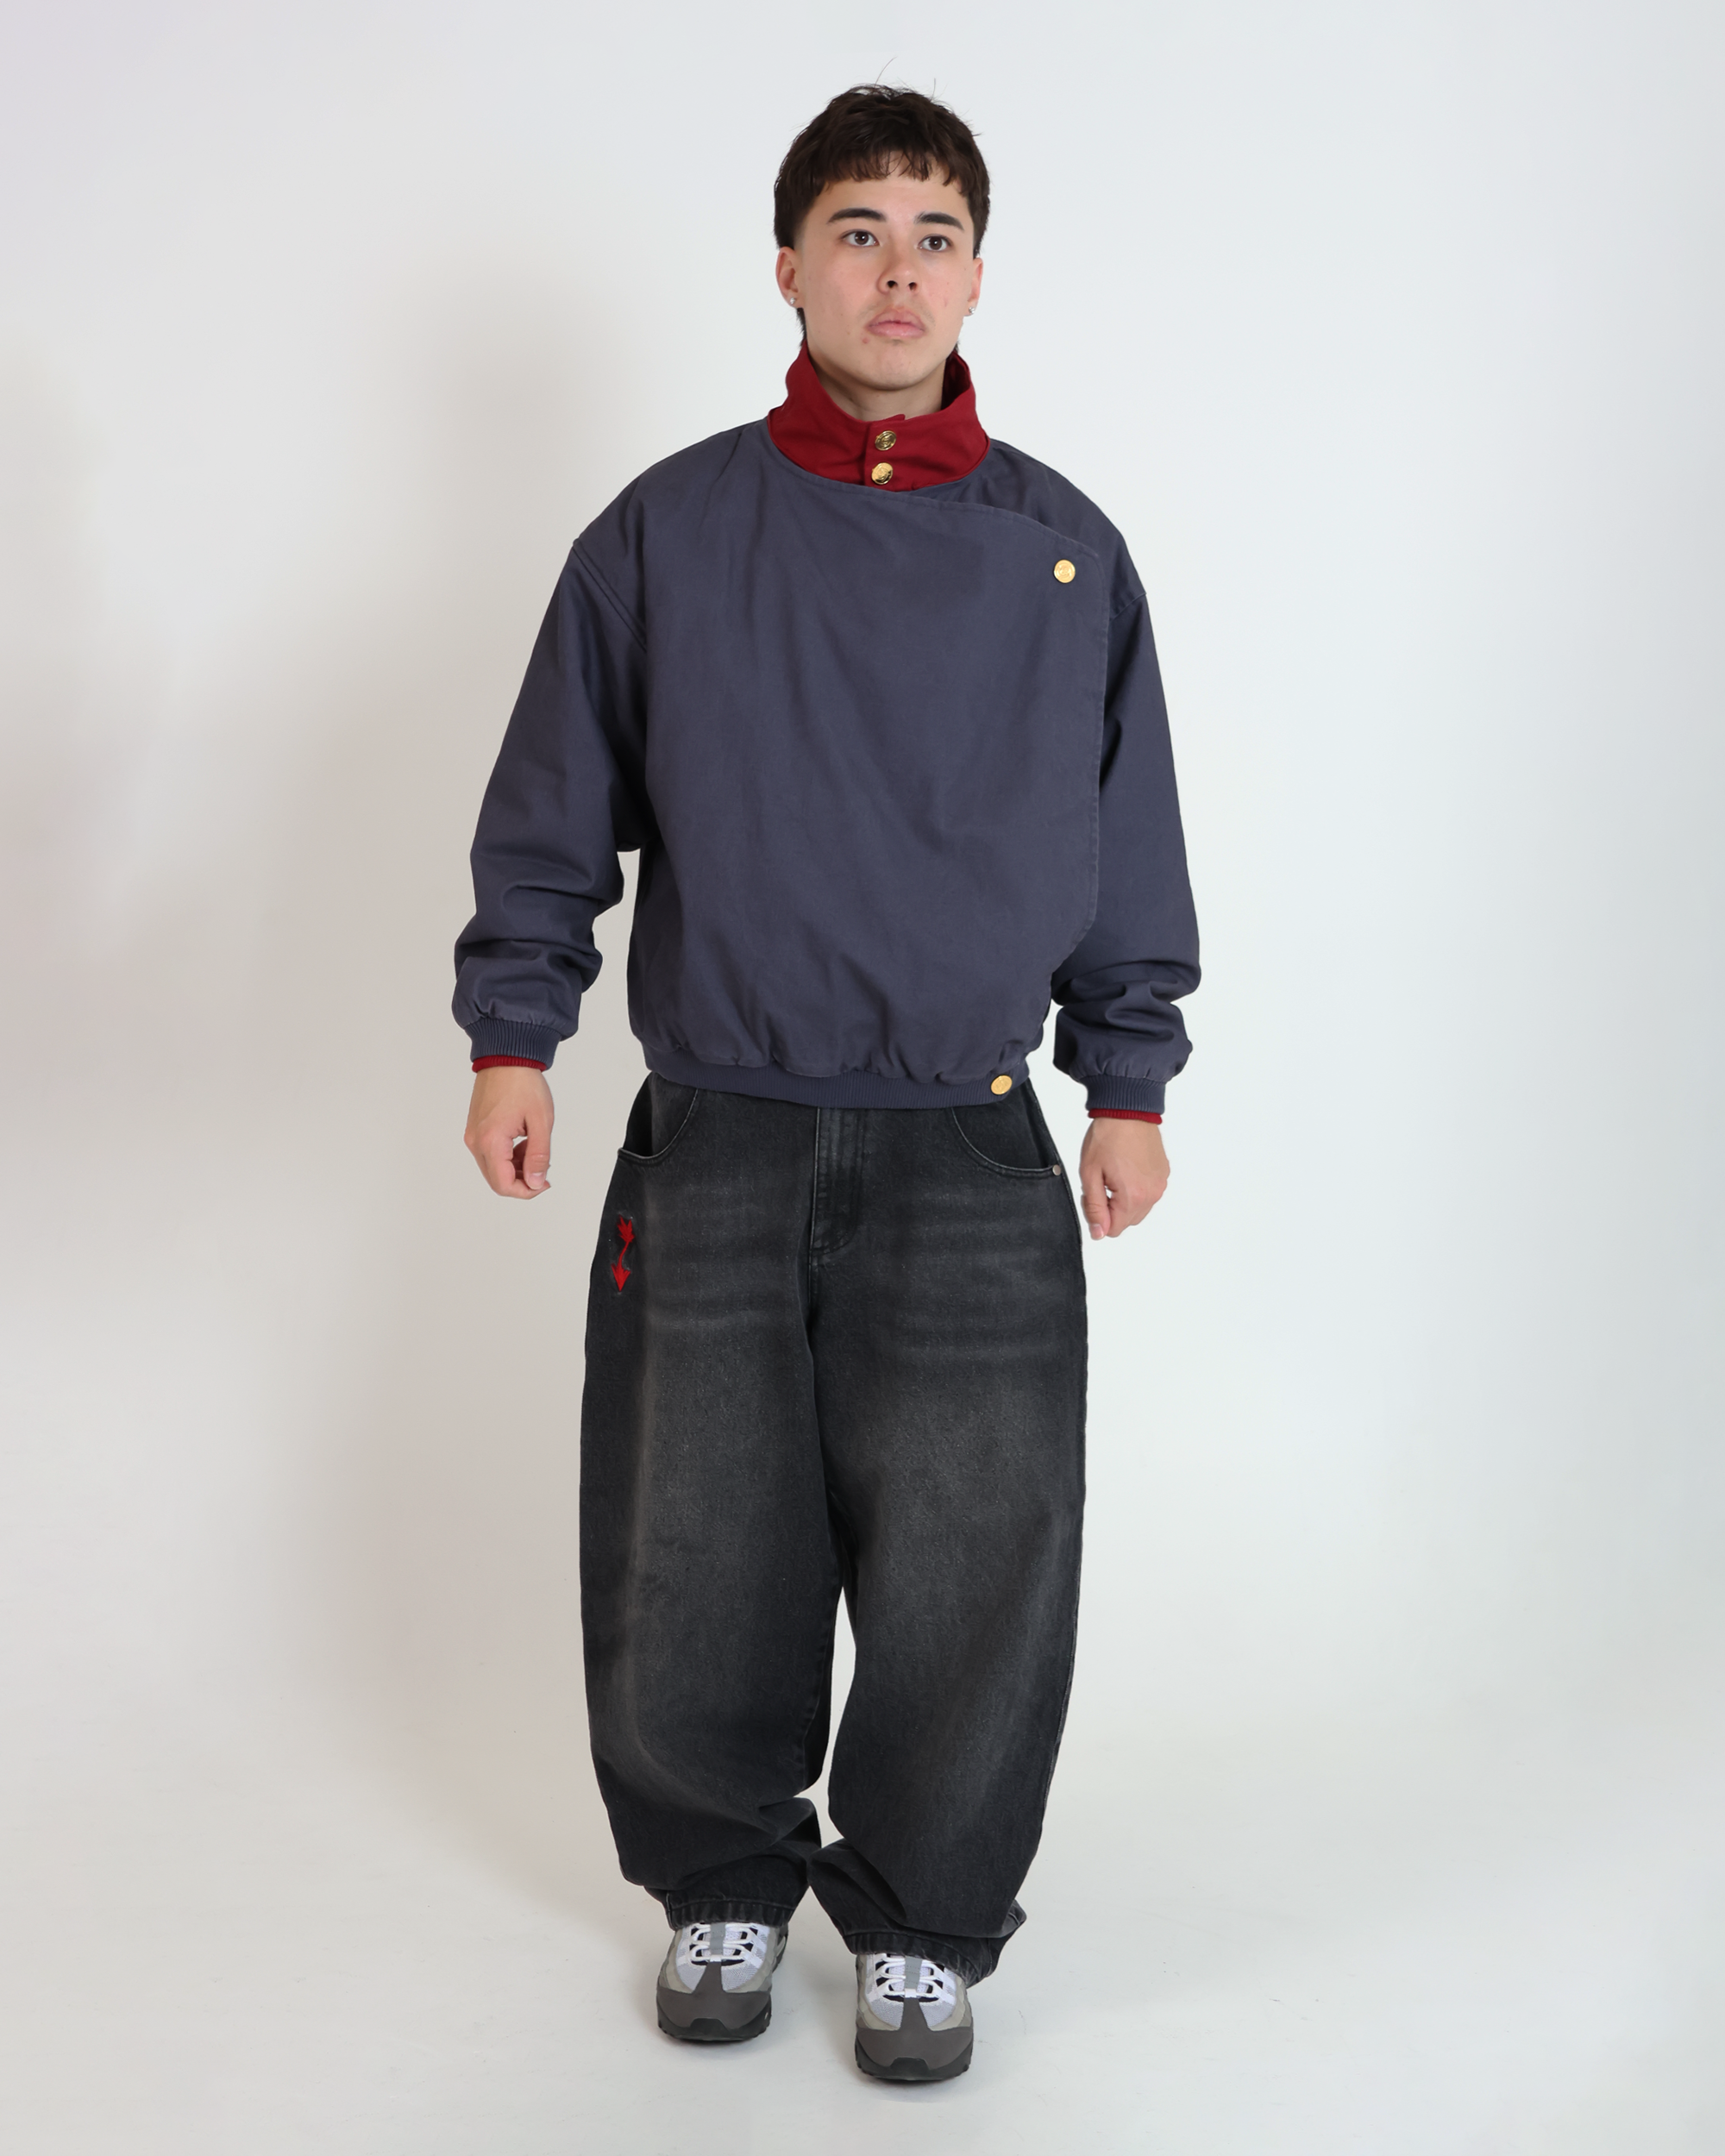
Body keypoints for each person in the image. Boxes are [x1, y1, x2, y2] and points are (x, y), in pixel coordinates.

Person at [453, 84, 1198, 2084]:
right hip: (719, 1118)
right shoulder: (668, 534)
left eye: (936, 233)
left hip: (969, 1132)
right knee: (693, 1535)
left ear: (978, 276)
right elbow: (553, 807)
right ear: (788, 266)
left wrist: (1125, 1076)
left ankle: (926, 1922)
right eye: (858, 229)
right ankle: (718, 1879)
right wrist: (516, 1033)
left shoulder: (1060, 555)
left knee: (977, 1549)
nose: (897, 269)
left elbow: (1125, 835)